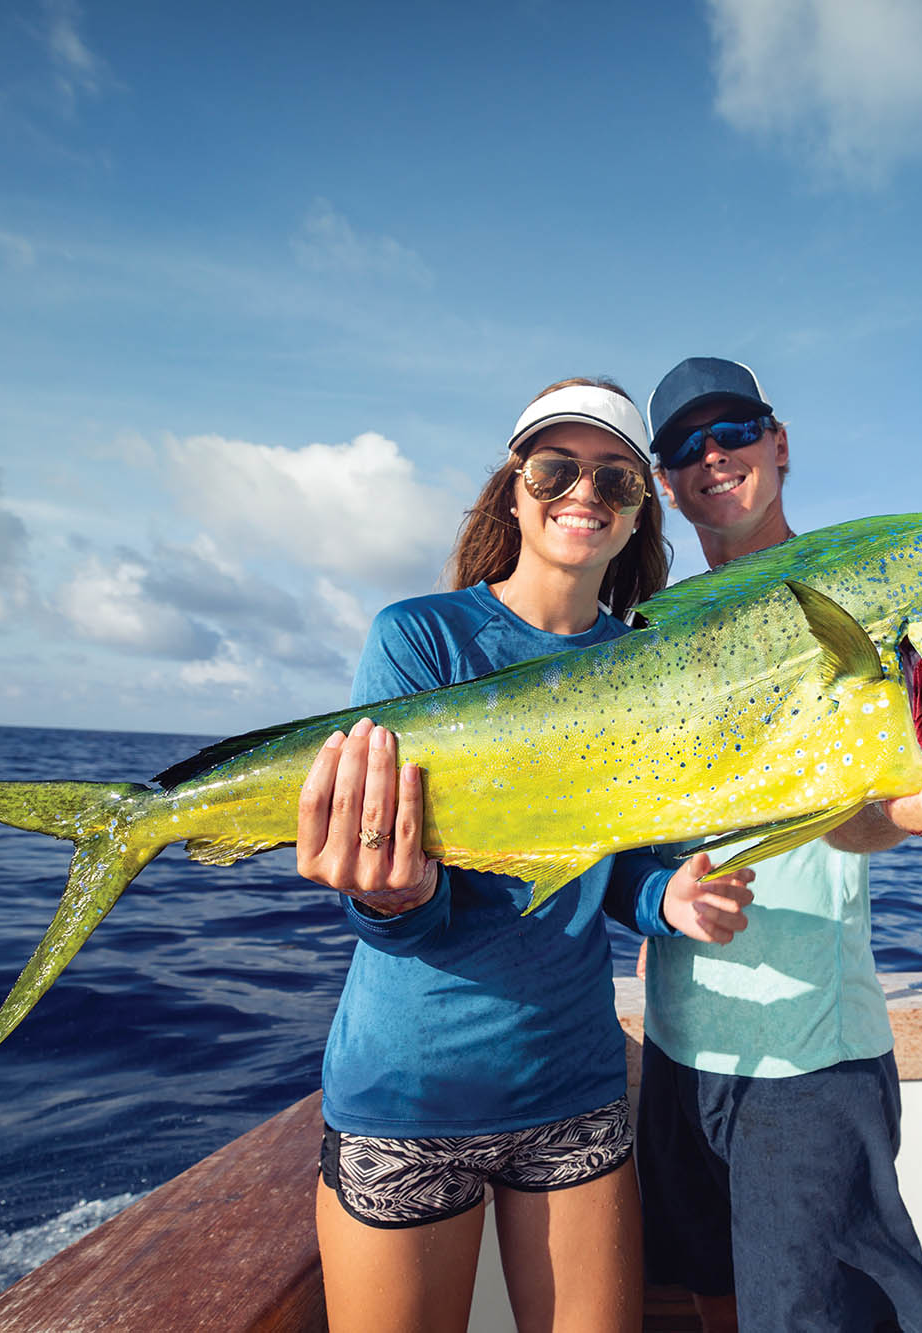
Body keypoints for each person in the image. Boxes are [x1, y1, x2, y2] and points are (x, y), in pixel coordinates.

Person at [294, 377, 758, 1333]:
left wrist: (667, 897)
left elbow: (623, 860)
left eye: (615, 478)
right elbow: (393, 906)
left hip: (572, 1089)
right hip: (409, 1094)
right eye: (556, 470)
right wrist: (390, 899)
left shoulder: (650, 662)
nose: (584, 492)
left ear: (638, 513)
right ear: (513, 491)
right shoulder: (419, 636)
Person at [636, 357, 922, 1332]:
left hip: (806, 1063)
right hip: (677, 1040)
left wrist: (908, 808)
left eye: (733, 430)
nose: (713, 456)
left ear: (778, 442)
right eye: (685, 446)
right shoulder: (658, 628)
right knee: (712, 1295)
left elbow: (862, 811)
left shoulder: (870, 596)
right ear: (665, 480)